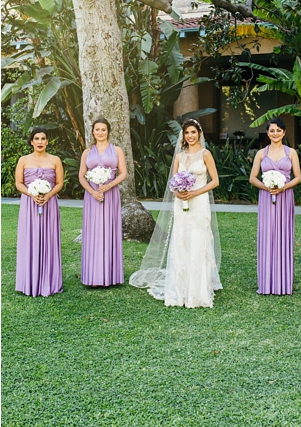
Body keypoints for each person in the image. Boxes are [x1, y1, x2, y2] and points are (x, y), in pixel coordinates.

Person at [130, 119, 223, 308]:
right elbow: (172, 182)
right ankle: (180, 287)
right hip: (181, 204)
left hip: (199, 202)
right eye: (187, 133)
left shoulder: (205, 154)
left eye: (193, 132)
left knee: (198, 240)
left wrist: (195, 192)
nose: (190, 136)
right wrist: (177, 192)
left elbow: (215, 181)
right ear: (183, 135)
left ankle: (198, 289)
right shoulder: (180, 156)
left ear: (199, 133)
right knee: (182, 239)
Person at [248, 119, 301, 295]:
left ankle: (283, 282)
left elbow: (298, 177)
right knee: (268, 235)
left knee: (283, 235)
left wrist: (283, 187)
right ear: (268, 133)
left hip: (285, 197)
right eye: (272, 131)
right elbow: (253, 177)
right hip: (266, 197)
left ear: (284, 132)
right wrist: (267, 188)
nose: (275, 133)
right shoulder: (261, 154)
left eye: (279, 130)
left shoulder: (291, 152)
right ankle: (267, 281)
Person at [14, 128, 64, 297]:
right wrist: (32, 194)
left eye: (43, 138)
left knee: (49, 239)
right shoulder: (23, 160)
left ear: (47, 141)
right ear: (32, 142)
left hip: (49, 205)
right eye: (37, 138)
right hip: (29, 205)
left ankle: (49, 281)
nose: (40, 141)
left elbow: (59, 183)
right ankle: (29, 280)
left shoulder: (55, 160)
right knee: (30, 238)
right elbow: (19, 183)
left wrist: (48, 195)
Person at [79, 118, 125, 287]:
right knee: (94, 231)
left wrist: (108, 186)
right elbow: (81, 176)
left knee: (109, 229)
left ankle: (110, 275)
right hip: (92, 197)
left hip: (110, 194)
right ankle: (93, 275)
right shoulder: (87, 152)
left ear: (108, 131)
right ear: (93, 131)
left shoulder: (117, 150)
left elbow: (123, 173)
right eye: (97, 129)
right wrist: (92, 192)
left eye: (103, 129)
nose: (100, 132)